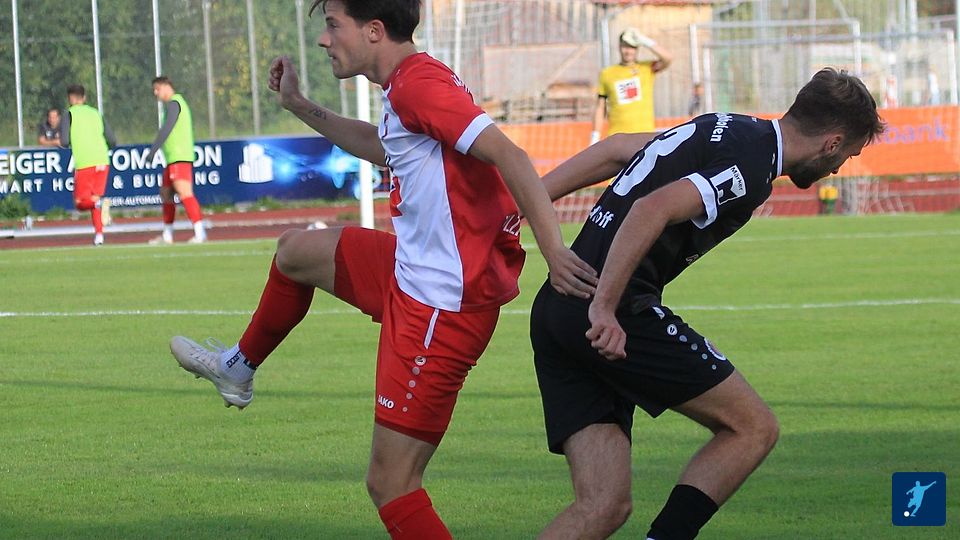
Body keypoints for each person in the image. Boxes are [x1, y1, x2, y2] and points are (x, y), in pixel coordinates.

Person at [167, 1, 596, 538]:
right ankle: (237, 367)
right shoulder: (407, 83)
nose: (324, 40)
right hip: (412, 269)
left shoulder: (419, 85)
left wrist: (554, 251)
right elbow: (383, 146)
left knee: (392, 484)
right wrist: (298, 104)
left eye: (333, 25)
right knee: (295, 253)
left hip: (439, 305)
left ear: (373, 30)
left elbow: (510, 156)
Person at [530, 68, 884, 539]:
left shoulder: (728, 125)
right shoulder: (751, 167)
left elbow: (617, 149)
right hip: (610, 311)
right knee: (752, 428)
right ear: (832, 143)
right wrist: (605, 307)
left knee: (604, 505)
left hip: (556, 308)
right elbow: (652, 208)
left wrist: (527, 200)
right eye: (848, 155)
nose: (837, 169)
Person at [145, 76, 205, 244]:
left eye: (157, 89)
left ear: (166, 86)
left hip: (180, 157)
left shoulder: (175, 103)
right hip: (172, 158)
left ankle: (200, 232)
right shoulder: (173, 105)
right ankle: (167, 235)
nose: (156, 93)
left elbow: (167, 127)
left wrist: (153, 149)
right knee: (166, 194)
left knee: (184, 192)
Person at [590, 27, 672, 145]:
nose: (628, 51)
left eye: (632, 47)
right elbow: (600, 107)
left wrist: (645, 41)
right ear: (619, 47)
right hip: (618, 137)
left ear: (637, 48)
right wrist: (595, 136)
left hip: (645, 136)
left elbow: (668, 58)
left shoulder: (647, 68)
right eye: (625, 46)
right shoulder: (607, 73)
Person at [59, 85, 117, 246]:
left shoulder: (69, 114)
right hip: (102, 160)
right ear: (84, 98)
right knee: (93, 199)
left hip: (85, 162)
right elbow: (112, 140)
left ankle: (100, 205)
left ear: (70, 99)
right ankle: (99, 236)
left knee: (80, 203)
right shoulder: (96, 113)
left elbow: (64, 141)